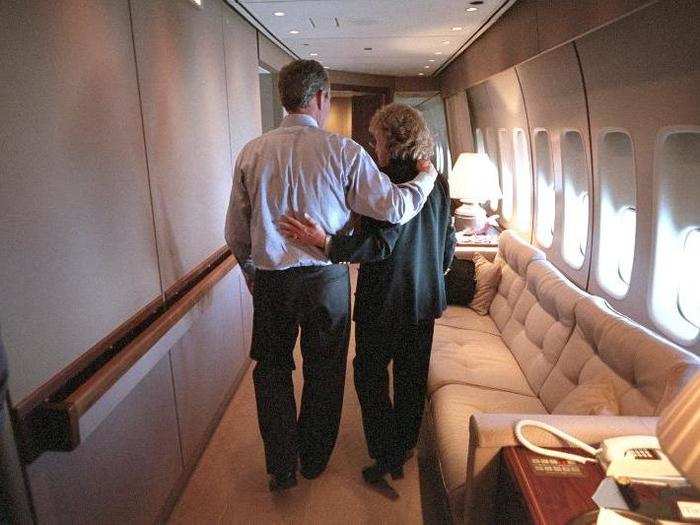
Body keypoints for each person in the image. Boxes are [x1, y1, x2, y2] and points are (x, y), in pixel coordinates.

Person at [224, 60, 438, 492]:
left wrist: (252, 272)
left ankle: (281, 465)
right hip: (326, 281)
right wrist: (427, 180)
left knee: (272, 370)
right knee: (324, 371)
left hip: (271, 280)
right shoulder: (343, 152)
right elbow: (394, 208)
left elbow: (235, 231)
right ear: (320, 98)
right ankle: (314, 458)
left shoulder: (251, 151)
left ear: (286, 98)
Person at [279, 103, 456, 484]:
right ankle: (404, 445)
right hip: (425, 299)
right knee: (412, 375)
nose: (373, 146)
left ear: (390, 141)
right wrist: (437, 273)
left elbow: (379, 246)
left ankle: (384, 449)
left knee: (368, 373)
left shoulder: (383, 181)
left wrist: (326, 243)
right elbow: (448, 240)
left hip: (385, 300)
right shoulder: (437, 181)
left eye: (376, 139)